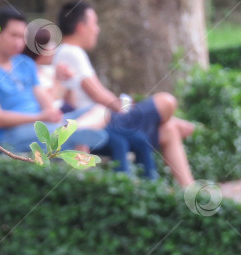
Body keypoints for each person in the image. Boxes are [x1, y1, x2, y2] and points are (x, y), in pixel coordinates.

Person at [54, 0, 194, 187]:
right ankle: (190, 191)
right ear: (81, 27)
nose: (97, 29)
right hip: (103, 121)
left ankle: (189, 189)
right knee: (166, 102)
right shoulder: (71, 52)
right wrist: (127, 108)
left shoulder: (66, 52)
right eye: (94, 23)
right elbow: (99, 95)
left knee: (170, 129)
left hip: (107, 120)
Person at [0, 7, 107, 155]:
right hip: (11, 136)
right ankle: (74, 134)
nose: (19, 42)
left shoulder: (25, 63)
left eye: (22, 37)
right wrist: (40, 117)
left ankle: (74, 132)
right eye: (14, 35)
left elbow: (44, 99)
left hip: (44, 125)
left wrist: (51, 112)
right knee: (65, 137)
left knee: (102, 110)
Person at [22, 27, 157, 179]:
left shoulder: (49, 71)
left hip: (78, 119)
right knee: (119, 142)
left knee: (140, 140)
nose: (54, 47)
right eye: (49, 43)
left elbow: (68, 102)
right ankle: (124, 188)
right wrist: (59, 81)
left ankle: (150, 187)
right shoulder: (30, 74)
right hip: (61, 123)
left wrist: (69, 82)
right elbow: (47, 105)